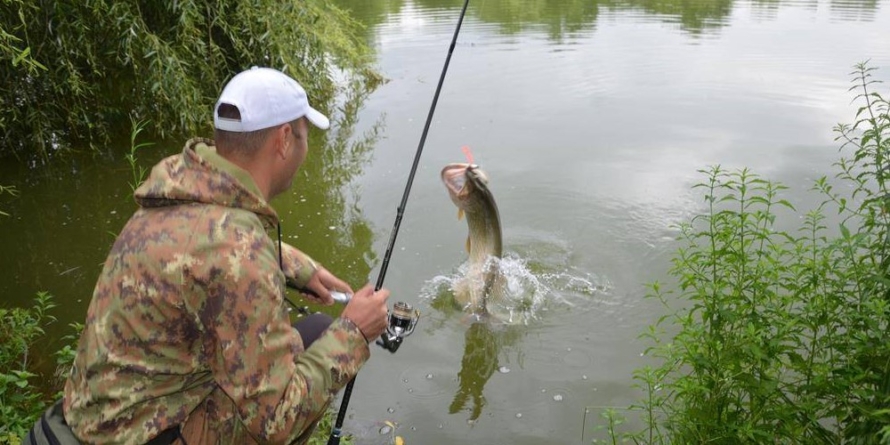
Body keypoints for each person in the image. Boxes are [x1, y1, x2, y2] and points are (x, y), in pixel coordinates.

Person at [38, 67, 392, 444]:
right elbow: (275, 422)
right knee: (324, 340)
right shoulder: (239, 254)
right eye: (304, 137)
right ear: (284, 140)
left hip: (98, 419)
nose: (305, 152)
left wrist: (293, 264)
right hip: (140, 436)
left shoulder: (177, 190)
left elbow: (198, 244)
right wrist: (354, 333)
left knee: (309, 337)